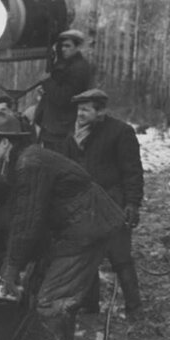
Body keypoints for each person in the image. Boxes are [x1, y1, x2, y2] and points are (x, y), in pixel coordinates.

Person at [0, 110, 125, 340]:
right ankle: (69, 323)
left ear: (5, 142)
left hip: (84, 229)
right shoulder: (21, 158)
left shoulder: (29, 163)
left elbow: (27, 222)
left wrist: (10, 268)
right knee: (44, 283)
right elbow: (5, 187)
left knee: (51, 301)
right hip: (77, 225)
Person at [63, 89, 144, 321]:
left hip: (114, 204)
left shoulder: (121, 132)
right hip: (84, 205)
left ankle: (135, 310)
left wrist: (133, 203)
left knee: (121, 259)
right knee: (86, 256)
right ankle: (89, 306)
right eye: (79, 110)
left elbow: (132, 172)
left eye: (86, 110)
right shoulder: (74, 135)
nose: (80, 114)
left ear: (101, 111)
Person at [34, 29, 93, 153]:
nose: (63, 49)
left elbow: (64, 97)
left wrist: (47, 82)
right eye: (61, 46)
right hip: (54, 127)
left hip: (62, 129)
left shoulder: (79, 68)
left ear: (77, 47)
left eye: (68, 46)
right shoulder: (65, 65)